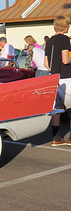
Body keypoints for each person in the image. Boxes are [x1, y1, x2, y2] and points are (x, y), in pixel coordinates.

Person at [44, 15, 71, 146]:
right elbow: (65, 60)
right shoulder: (65, 39)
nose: (69, 27)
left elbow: (46, 63)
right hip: (66, 77)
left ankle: (56, 137)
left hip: (54, 77)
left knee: (58, 108)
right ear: (64, 26)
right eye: (68, 25)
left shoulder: (49, 41)